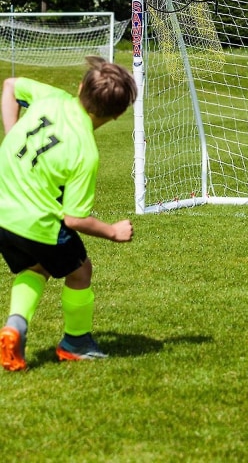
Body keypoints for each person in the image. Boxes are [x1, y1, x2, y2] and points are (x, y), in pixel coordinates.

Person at [0, 56, 138, 372]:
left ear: (79, 88)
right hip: (37, 222)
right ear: (117, 115)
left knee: (36, 268)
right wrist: (113, 231)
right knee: (80, 271)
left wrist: (12, 133)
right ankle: (76, 342)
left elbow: (10, 86)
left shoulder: (53, 99)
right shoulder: (84, 151)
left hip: (3, 211)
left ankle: (15, 327)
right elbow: (74, 219)